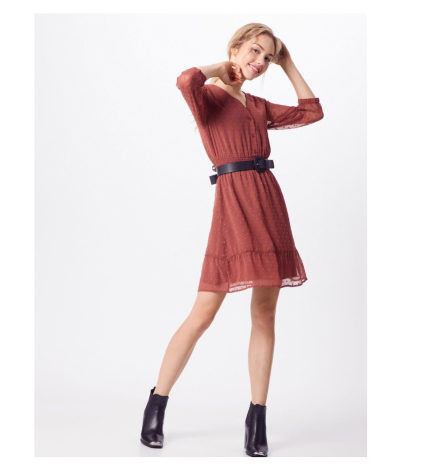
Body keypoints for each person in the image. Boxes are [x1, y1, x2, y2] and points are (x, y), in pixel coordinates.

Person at [140, 22, 324, 457]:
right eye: (255, 51)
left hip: (268, 204)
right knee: (203, 313)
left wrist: (288, 63)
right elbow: (185, 79)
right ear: (236, 48)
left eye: (267, 57)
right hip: (233, 206)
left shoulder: (258, 105)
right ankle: (156, 404)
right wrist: (220, 68)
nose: (260, 62)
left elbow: (311, 111)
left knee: (265, 314)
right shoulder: (207, 97)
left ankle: (257, 418)